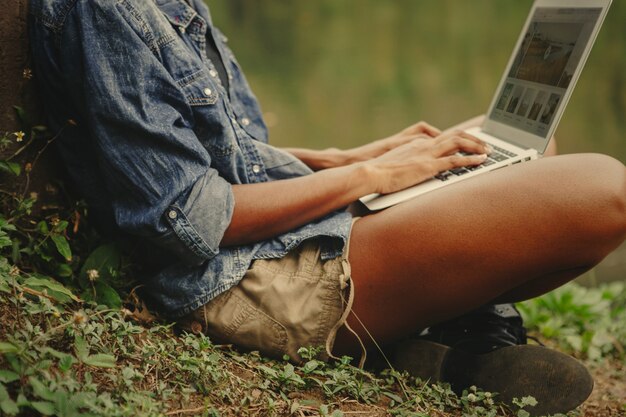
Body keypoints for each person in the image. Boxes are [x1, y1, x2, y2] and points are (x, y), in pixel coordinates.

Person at [29, 0, 626, 414]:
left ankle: (444, 332)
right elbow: (191, 217)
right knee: (603, 189)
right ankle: (459, 331)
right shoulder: (104, 11)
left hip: (280, 228)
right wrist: (373, 175)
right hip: (247, 276)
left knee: (520, 145)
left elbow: (224, 155)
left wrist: (346, 157)